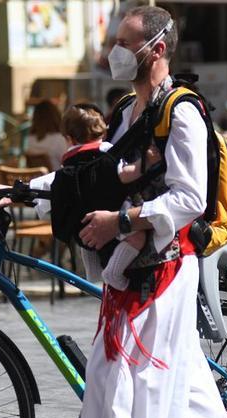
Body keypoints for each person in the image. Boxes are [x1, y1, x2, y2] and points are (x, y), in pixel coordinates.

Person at [0, 7, 227, 418]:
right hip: (138, 264)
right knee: (185, 376)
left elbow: (190, 197)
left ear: (158, 49)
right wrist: (18, 189)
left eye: (126, 43)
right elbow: (88, 177)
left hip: (163, 267)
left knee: (109, 377)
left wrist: (122, 220)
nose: (116, 52)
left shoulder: (182, 111)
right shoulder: (129, 111)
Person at [58, 103, 146, 290]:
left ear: (69, 139)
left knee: (86, 238)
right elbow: (124, 174)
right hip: (111, 212)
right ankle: (113, 272)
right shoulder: (107, 152)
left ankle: (92, 271)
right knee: (139, 236)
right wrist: (145, 164)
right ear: (103, 132)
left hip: (82, 220)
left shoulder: (70, 159)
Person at [25, 99, 69, 170]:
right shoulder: (59, 139)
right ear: (55, 116)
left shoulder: (30, 139)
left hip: (36, 180)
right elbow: (67, 163)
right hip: (56, 179)